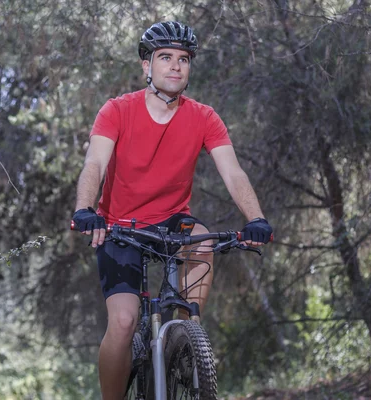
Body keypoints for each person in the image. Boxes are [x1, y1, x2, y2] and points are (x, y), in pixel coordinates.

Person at [72, 21, 273, 400]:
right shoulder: (117, 111)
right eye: (165, 57)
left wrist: (256, 218)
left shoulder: (204, 117)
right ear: (146, 65)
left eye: (183, 59)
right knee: (125, 321)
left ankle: (186, 339)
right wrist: (85, 209)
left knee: (203, 240)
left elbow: (233, 172)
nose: (176, 67)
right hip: (120, 227)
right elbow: (95, 164)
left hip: (171, 222)